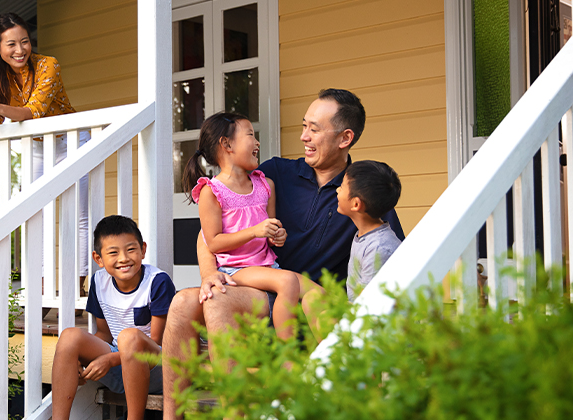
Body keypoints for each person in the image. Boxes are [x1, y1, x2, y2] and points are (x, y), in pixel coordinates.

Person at [161, 88, 405, 419]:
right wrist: (208, 275)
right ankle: (170, 415)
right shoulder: (273, 174)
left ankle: (234, 412)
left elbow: (392, 268)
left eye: (314, 129)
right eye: (304, 126)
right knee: (182, 303)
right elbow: (210, 233)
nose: (304, 136)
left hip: (305, 306)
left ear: (345, 138)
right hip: (255, 285)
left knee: (216, 301)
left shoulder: (361, 193)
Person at [0, 12, 91, 291]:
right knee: (36, 214)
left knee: (76, 214)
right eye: (11, 44)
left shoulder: (48, 65)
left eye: (24, 41)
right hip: (37, 146)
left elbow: (33, 112)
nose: (20, 50)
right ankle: (42, 291)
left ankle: (76, 289)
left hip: (71, 140)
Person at [182, 112, 317, 340]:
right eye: (250, 135)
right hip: (236, 269)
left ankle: (337, 352)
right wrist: (254, 231)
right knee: (288, 281)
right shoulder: (211, 191)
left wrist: (276, 235)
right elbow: (213, 242)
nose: (257, 143)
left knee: (320, 294)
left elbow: (270, 232)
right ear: (227, 144)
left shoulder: (265, 185)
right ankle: (286, 351)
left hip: (267, 266)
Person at [51, 215, 176, 420]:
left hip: (158, 370)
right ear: (98, 259)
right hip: (120, 366)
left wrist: (109, 360)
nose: (124, 258)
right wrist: (77, 358)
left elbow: (158, 342)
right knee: (69, 337)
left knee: (129, 337)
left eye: (131, 249)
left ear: (143, 249)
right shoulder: (99, 281)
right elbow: (104, 333)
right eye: (113, 252)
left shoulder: (157, 282)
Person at [304, 160, 403, 336]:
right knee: (312, 298)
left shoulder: (379, 248)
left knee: (326, 316)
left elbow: (368, 304)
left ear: (356, 204)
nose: (337, 190)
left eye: (342, 187)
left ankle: (338, 353)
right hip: (357, 308)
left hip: (373, 325)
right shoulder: (365, 234)